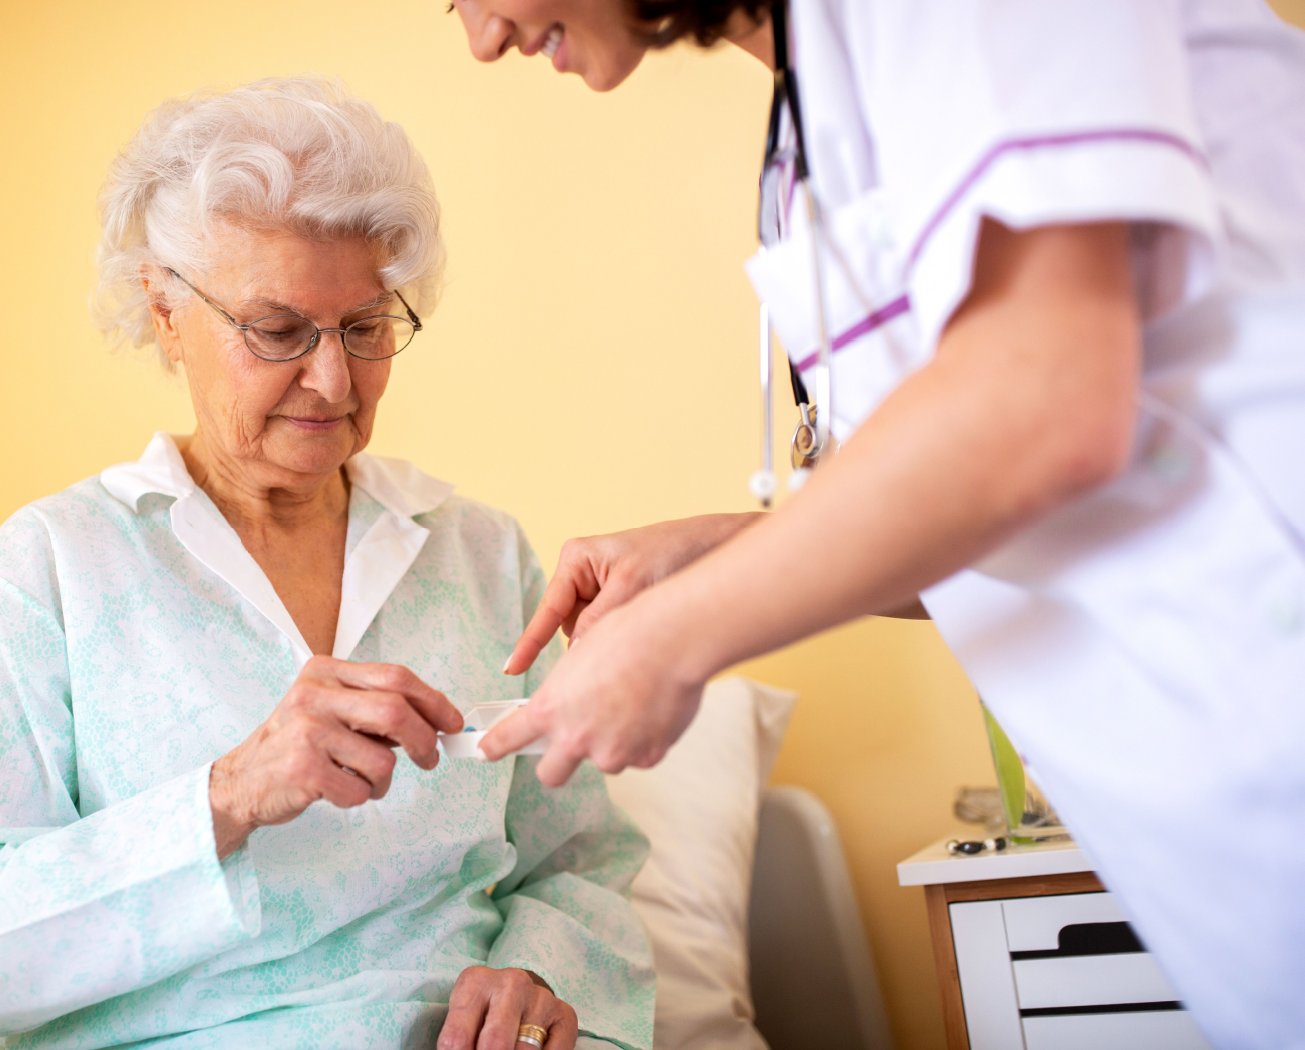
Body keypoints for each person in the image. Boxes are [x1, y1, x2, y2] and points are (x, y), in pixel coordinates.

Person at [447, 1, 1305, 1047]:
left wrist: (671, 643)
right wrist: (714, 553)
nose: (479, 37)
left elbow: (1047, 408)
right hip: (1222, 833)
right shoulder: (811, 118)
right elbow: (986, 523)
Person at [0, 76, 653, 1050]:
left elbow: (581, 860)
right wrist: (222, 799)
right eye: (276, 331)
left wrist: (535, 971)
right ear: (164, 311)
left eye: (365, 327)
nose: (331, 379)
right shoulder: (54, 569)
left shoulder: (477, 553)